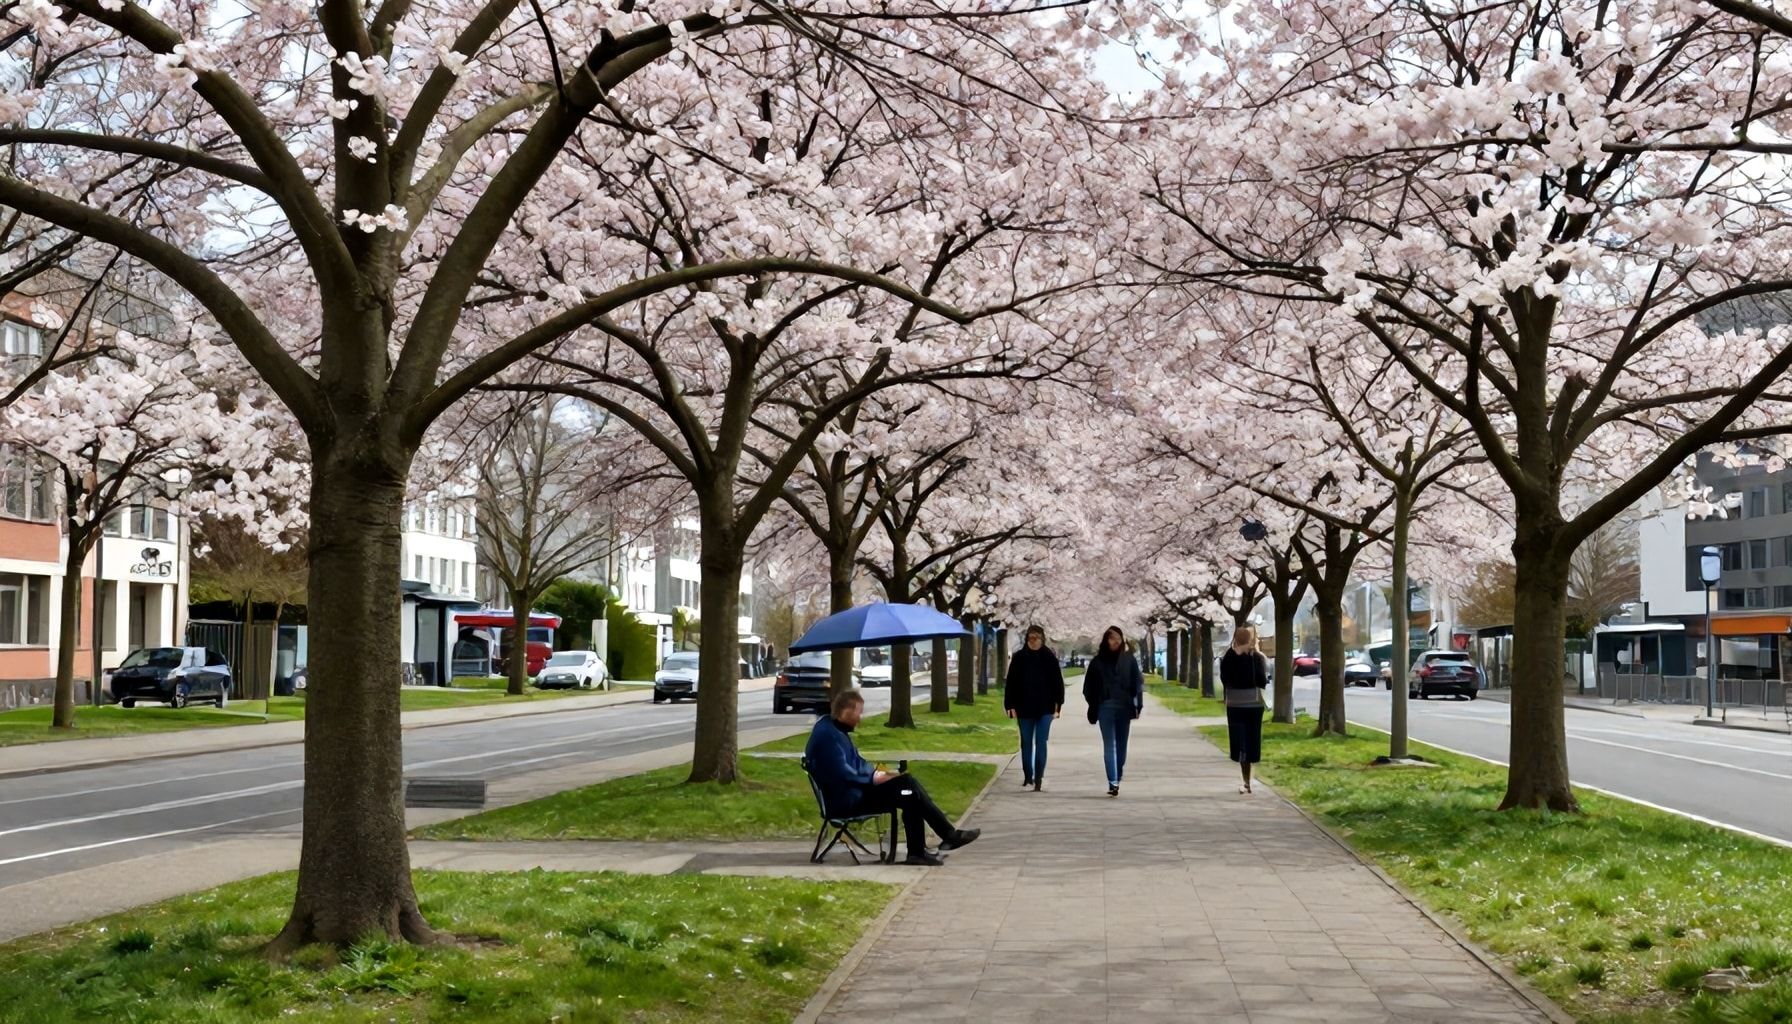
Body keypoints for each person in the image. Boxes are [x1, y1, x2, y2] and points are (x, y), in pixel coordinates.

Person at [806, 690, 982, 865]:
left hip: (854, 792)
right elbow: (843, 774)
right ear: (846, 712)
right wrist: (874, 779)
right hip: (848, 801)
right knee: (909, 791)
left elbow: (856, 764)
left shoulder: (833, 730)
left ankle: (934, 844)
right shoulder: (828, 737)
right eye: (859, 713)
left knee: (908, 786)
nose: (860, 719)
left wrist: (878, 774)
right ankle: (932, 845)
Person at [1082, 625, 1144, 796]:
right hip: (1105, 706)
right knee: (1110, 745)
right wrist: (1094, 704)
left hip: (1124, 706)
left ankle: (1118, 771)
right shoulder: (1097, 662)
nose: (1115, 641)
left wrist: (1138, 705)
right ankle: (1113, 781)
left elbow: (1137, 684)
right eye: (1112, 638)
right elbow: (1088, 687)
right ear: (1106, 640)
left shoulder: (1128, 660)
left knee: (1122, 745)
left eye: (1118, 638)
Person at [1004, 625, 1065, 792]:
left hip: (1045, 708)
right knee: (1026, 743)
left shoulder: (1049, 658)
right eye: (1031, 637)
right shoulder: (1019, 658)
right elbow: (1011, 684)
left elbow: (1058, 683)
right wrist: (1009, 705)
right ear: (1027, 639)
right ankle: (1028, 777)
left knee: (1041, 742)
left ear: (1042, 638)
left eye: (1037, 637)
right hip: (1024, 708)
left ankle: (1039, 777)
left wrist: (1059, 705)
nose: (1034, 641)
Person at [1219, 625, 1270, 794]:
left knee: (1239, 741)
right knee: (1252, 740)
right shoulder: (1256, 657)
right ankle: (1249, 779)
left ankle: (1245, 779)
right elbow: (1262, 680)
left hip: (1235, 704)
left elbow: (1225, 679)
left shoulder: (1228, 657)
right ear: (1250, 639)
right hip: (1254, 704)